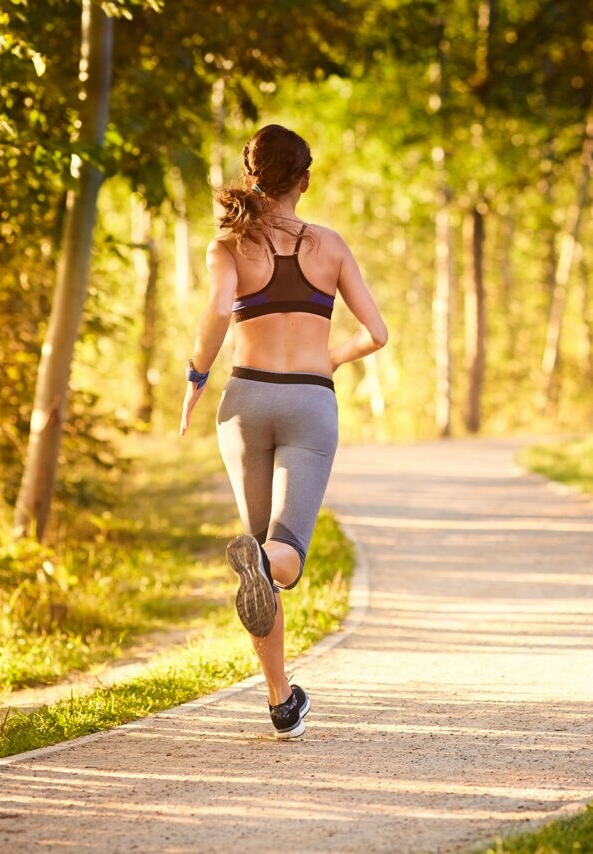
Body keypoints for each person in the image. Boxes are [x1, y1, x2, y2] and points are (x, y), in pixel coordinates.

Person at [179, 124, 387, 739]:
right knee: (284, 556)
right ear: (305, 180)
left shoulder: (227, 246)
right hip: (307, 403)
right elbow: (376, 333)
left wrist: (195, 378)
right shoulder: (330, 245)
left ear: (251, 178)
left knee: (260, 559)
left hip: (242, 403)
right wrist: (332, 358)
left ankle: (280, 700)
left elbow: (219, 310)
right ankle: (265, 565)